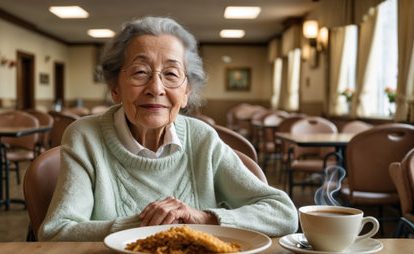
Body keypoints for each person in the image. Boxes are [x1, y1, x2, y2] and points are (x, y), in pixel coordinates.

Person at [39, 16, 298, 241]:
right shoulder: (85, 136)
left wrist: (199, 217)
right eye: (140, 72)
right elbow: (56, 231)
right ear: (115, 88)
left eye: (171, 74)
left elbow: (283, 214)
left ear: (186, 93)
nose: (156, 88)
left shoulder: (202, 138)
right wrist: (151, 224)